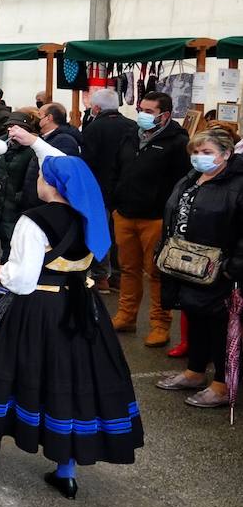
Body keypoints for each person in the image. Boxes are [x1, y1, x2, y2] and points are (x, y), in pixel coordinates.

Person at [0, 132, 142, 499]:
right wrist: (35, 140)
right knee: (69, 382)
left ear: (48, 183)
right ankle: (66, 470)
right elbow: (71, 170)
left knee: (7, 369)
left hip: (36, 308)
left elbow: (21, 281)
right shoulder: (91, 216)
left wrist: (0, 271)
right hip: (81, 307)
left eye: (41, 174)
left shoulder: (33, 221)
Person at [153, 129, 242, 408]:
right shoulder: (191, 179)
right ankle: (194, 372)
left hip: (220, 269)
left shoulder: (238, 185)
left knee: (219, 327)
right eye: (196, 152)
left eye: (207, 153)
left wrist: (232, 267)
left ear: (226, 154)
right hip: (187, 265)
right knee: (195, 319)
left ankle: (221, 385)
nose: (199, 158)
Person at [109, 91, 189, 347]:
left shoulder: (177, 142)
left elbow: (182, 182)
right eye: (141, 109)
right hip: (125, 214)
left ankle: (160, 324)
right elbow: (117, 170)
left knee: (156, 273)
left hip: (155, 218)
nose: (142, 114)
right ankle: (126, 315)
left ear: (164, 115)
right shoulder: (130, 136)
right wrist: (115, 203)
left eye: (149, 111)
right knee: (128, 269)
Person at [81, 89, 137, 293]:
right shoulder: (133, 126)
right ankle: (119, 277)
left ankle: (101, 276)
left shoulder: (93, 128)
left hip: (99, 189)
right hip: (126, 190)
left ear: (96, 108)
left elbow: (87, 162)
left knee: (100, 232)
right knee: (121, 234)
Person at [0, 111, 39, 264]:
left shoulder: (32, 149)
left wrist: (21, 197)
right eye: (9, 127)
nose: (11, 130)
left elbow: (32, 179)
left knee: (13, 244)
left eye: (16, 127)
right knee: (1, 238)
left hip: (17, 205)